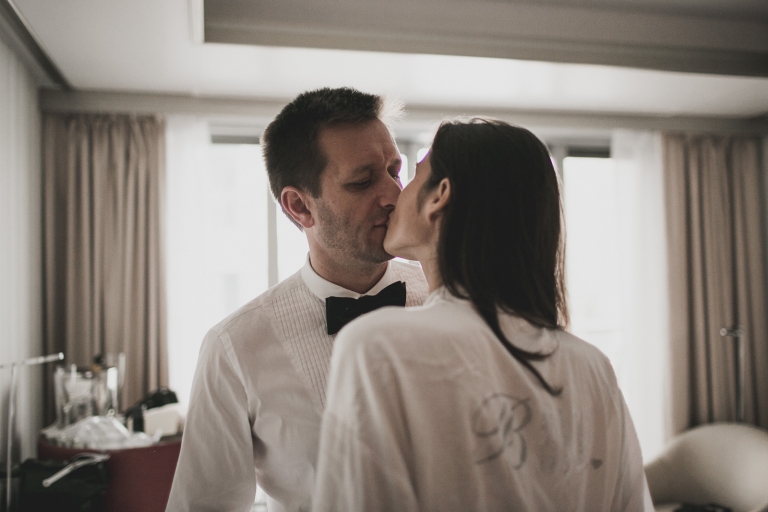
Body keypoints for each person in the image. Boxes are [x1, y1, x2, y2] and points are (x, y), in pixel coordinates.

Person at [313, 118, 654, 511]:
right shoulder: (593, 366)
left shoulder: (377, 345)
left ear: (439, 195)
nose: (393, 195)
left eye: (412, 176)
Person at [166, 87, 429, 512]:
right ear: (299, 207)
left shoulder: (449, 300)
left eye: (394, 171)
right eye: (362, 181)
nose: (394, 195)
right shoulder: (234, 348)